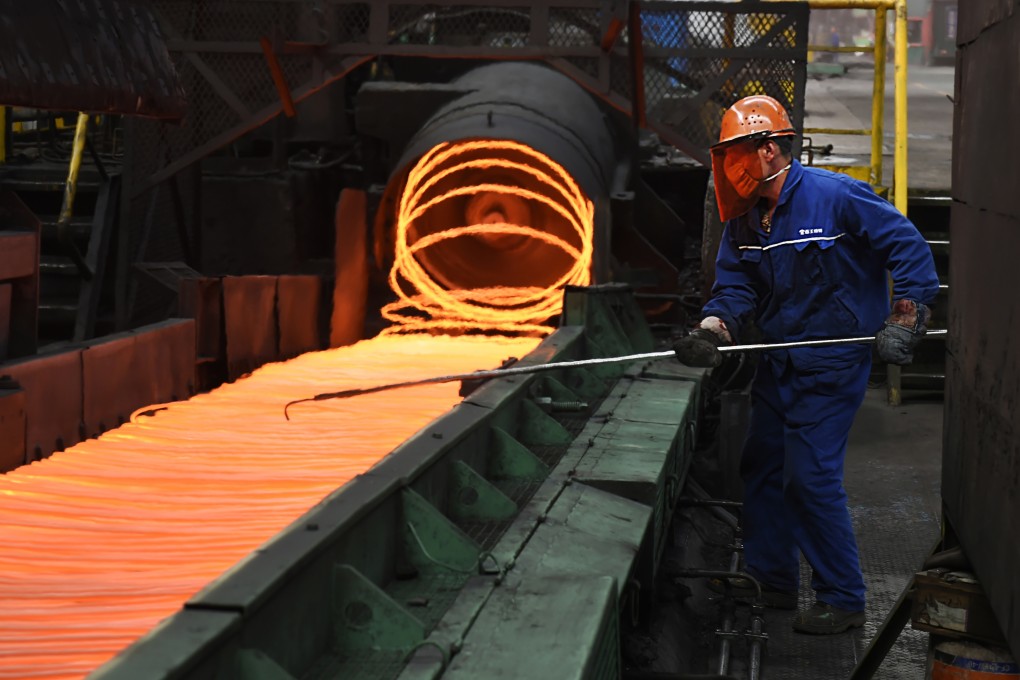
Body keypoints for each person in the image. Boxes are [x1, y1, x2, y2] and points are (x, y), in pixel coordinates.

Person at [675, 95, 939, 634]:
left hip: (833, 362)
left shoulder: (836, 197)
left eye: (735, 154)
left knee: (809, 478)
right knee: (764, 465)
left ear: (768, 149)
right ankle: (772, 580)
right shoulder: (746, 220)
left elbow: (906, 244)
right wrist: (713, 328)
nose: (729, 167)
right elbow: (735, 286)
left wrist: (906, 315)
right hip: (779, 359)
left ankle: (843, 598)